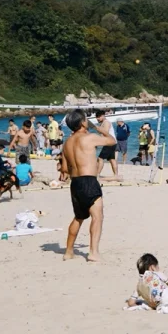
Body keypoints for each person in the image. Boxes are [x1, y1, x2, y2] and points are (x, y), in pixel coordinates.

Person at [61, 108, 117, 263]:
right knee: (97, 217)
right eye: (86, 119)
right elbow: (112, 141)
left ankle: (69, 251)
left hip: (75, 182)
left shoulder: (66, 143)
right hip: (89, 181)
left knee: (79, 217)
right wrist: (98, 128)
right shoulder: (89, 137)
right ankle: (93, 252)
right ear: (82, 122)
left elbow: (65, 169)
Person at [95, 111, 119, 180]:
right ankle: (116, 175)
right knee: (112, 159)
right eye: (96, 117)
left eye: (98, 117)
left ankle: (97, 175)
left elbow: (105, 132)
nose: (97, 119)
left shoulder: (106, 122)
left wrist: (98, 130)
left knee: (100, 158)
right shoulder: (103, 123)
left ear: (103, 116)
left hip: (110, 142)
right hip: (111, 142)